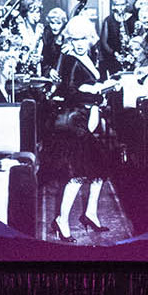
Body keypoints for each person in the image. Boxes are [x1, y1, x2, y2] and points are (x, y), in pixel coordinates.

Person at [46, 17, 121, 240]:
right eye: (75, 38)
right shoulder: (69, 59)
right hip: (75, 122)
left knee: (99, 172)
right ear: (70, 39)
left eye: (83, 38)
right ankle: (61, 221)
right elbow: (70, 91)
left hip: (88, 118)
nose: (79, 43)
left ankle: (90, 214)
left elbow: (89, 86)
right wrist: (99, 90)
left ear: (90, 39)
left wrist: (103, 89)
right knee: (78, 175)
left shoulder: (88, 57)